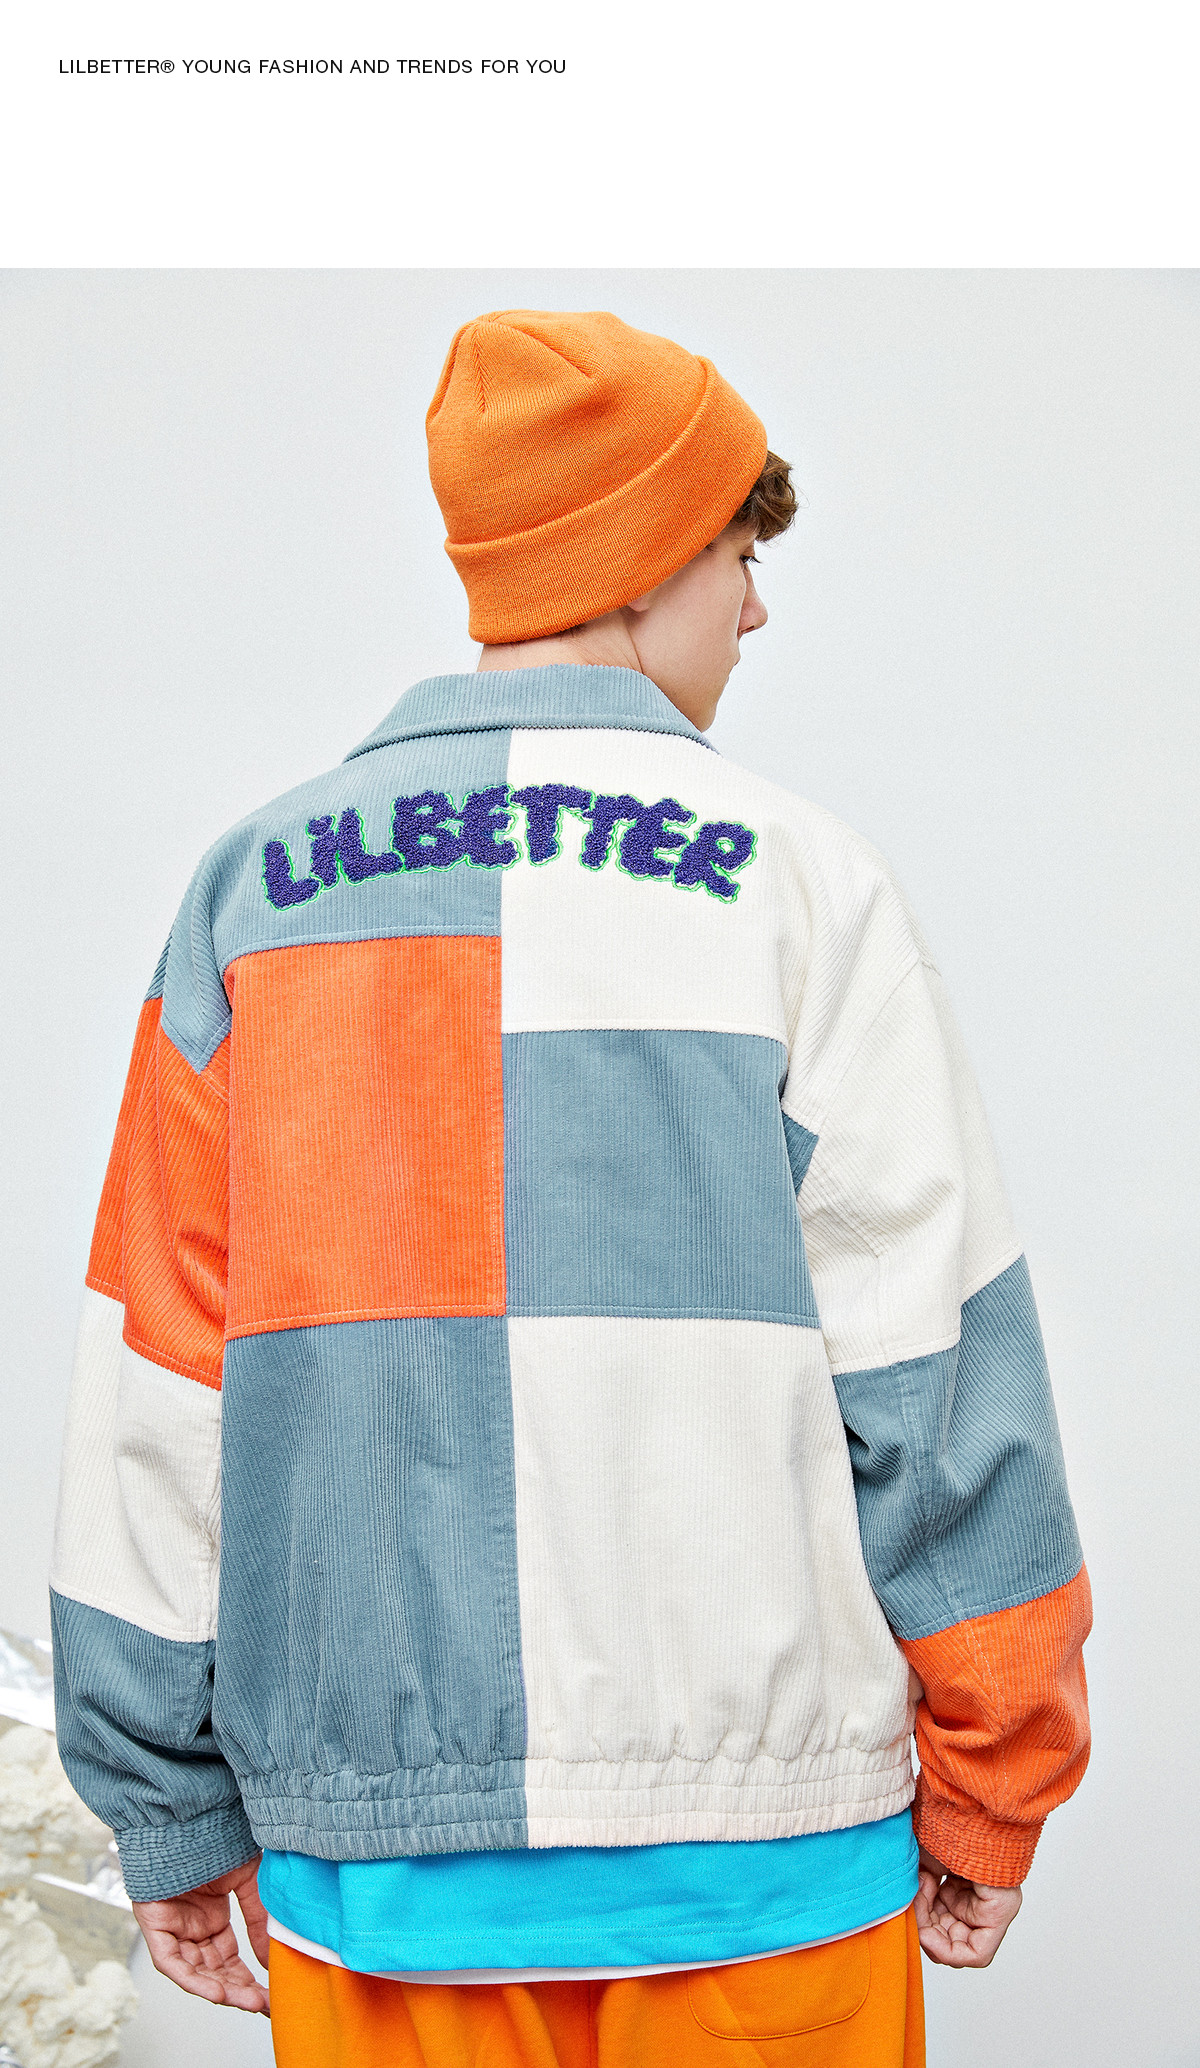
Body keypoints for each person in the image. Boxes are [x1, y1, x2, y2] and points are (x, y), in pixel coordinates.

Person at [49, 309, 1092, 2067]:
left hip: (384, 1882)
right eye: (741, 555)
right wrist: (1002, 1770)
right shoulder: (802, 884)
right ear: (643, 552)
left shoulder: (254, 895)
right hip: (764, 1872)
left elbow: (157, 1384)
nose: (754, 611)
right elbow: (933, 1360)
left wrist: (162, 1798)